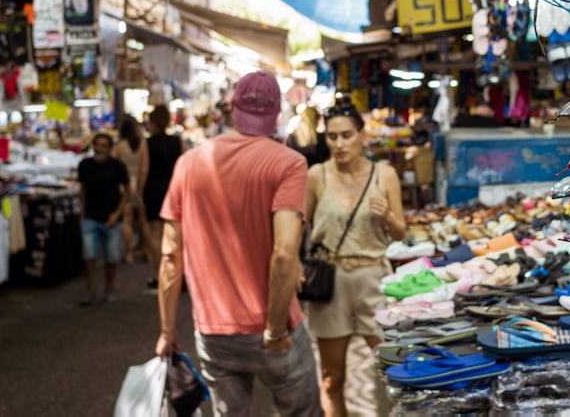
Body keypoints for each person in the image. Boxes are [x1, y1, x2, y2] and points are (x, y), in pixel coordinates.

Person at [154, 71, 321, 416]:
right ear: (276, 112)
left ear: (232, 108)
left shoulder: (188, 164)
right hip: (275, 326)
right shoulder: (289, 163)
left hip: (214, 330)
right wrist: (275, 330)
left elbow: (171, 256)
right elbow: (285, 254)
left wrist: (167, 330)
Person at [305, 103, 406, 416]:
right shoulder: (316, 175)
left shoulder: (384, 174)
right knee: (331, 378)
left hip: (373, 279)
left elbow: (400, 232)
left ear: (362, 136)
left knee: (396, 371)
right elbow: (298, 226)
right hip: (329, 283)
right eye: (332, 137)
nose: (339, 144)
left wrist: (387, 214)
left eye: (346, 135)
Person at [77, 132, 129, 304]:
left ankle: (110, 287)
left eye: (103, 145)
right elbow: (82, 190)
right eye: (97, 145)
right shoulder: (84, 165)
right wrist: (83, 213)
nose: (99, 148)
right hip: (91, 217)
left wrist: (117, 213)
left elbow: (126, 191)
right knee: (89, 256)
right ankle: (90, 289)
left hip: (111, 218)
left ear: (109, 148)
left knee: (111, 257)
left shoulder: (117, 166)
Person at [142, 105, 185, 289]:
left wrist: (138, 193)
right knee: (177, 233)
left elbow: (144, 169)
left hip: (153, 189)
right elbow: (186, 164)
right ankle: (178, 274)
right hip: (174, 188)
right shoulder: (177, 141)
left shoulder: (148, 143)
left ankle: (162, 274)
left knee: (155, 232)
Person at [113, 115, 149, 263]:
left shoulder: (120, 147)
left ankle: (128, 253)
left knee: (127, 220)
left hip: (126, 185)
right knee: (142, 220)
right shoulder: (143, 144)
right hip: (141, 183)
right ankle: (146, 249)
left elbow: (115, 167)